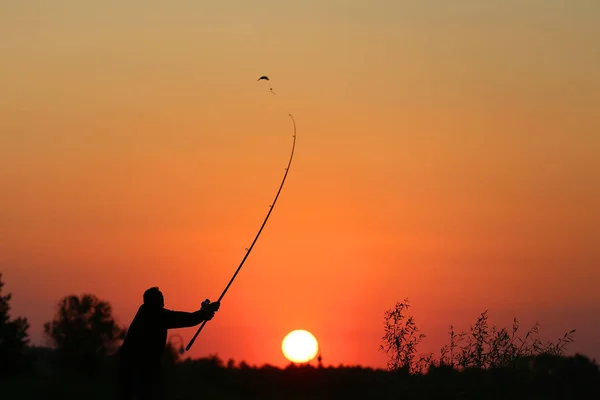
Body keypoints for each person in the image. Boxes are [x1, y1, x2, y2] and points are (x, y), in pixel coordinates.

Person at [118, 286, 220, 399]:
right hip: (139, 369)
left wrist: (203, 313)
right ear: (152, 301)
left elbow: (185, 318)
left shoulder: (146, 312)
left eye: (162, 297)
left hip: (136, 368)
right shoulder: (154, 314)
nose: (162, 300)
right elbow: (183, 319)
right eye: (159, 298)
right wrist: (204, 313)